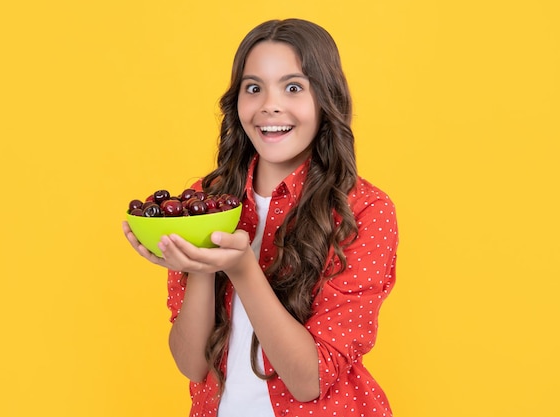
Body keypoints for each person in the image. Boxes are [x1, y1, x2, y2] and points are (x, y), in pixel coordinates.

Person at [122, 18, 398, 417]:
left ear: (326, 99)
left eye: (293, 87)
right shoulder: (204, 201)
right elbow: (191, 364)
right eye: (254, 88)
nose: (270, 104)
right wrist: (200, 262)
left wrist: (242, 268)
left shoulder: (364, 211)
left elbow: (309, 382)